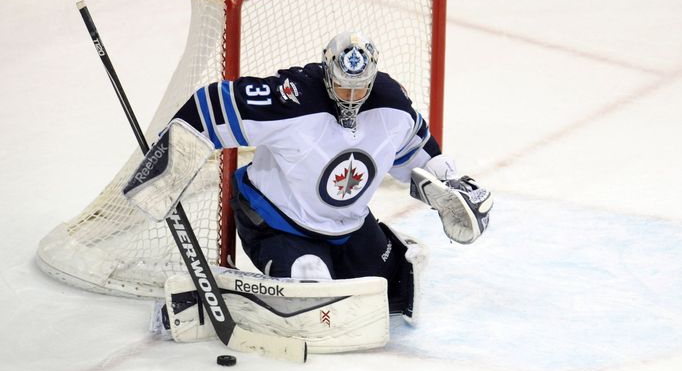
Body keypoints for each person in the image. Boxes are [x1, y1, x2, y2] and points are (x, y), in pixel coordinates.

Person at [160, 31, 492, 315]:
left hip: (346, 226)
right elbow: (210, 104)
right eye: (342, 86)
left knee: (393, 289)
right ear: (327, 71)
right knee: (313, 294)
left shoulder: (391, 106)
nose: (350, 98)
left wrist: (449, 184)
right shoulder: (291, 97)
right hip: (276, 222)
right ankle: (239, 298)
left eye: (359, 89)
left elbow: (418, 154)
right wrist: (167, 165)